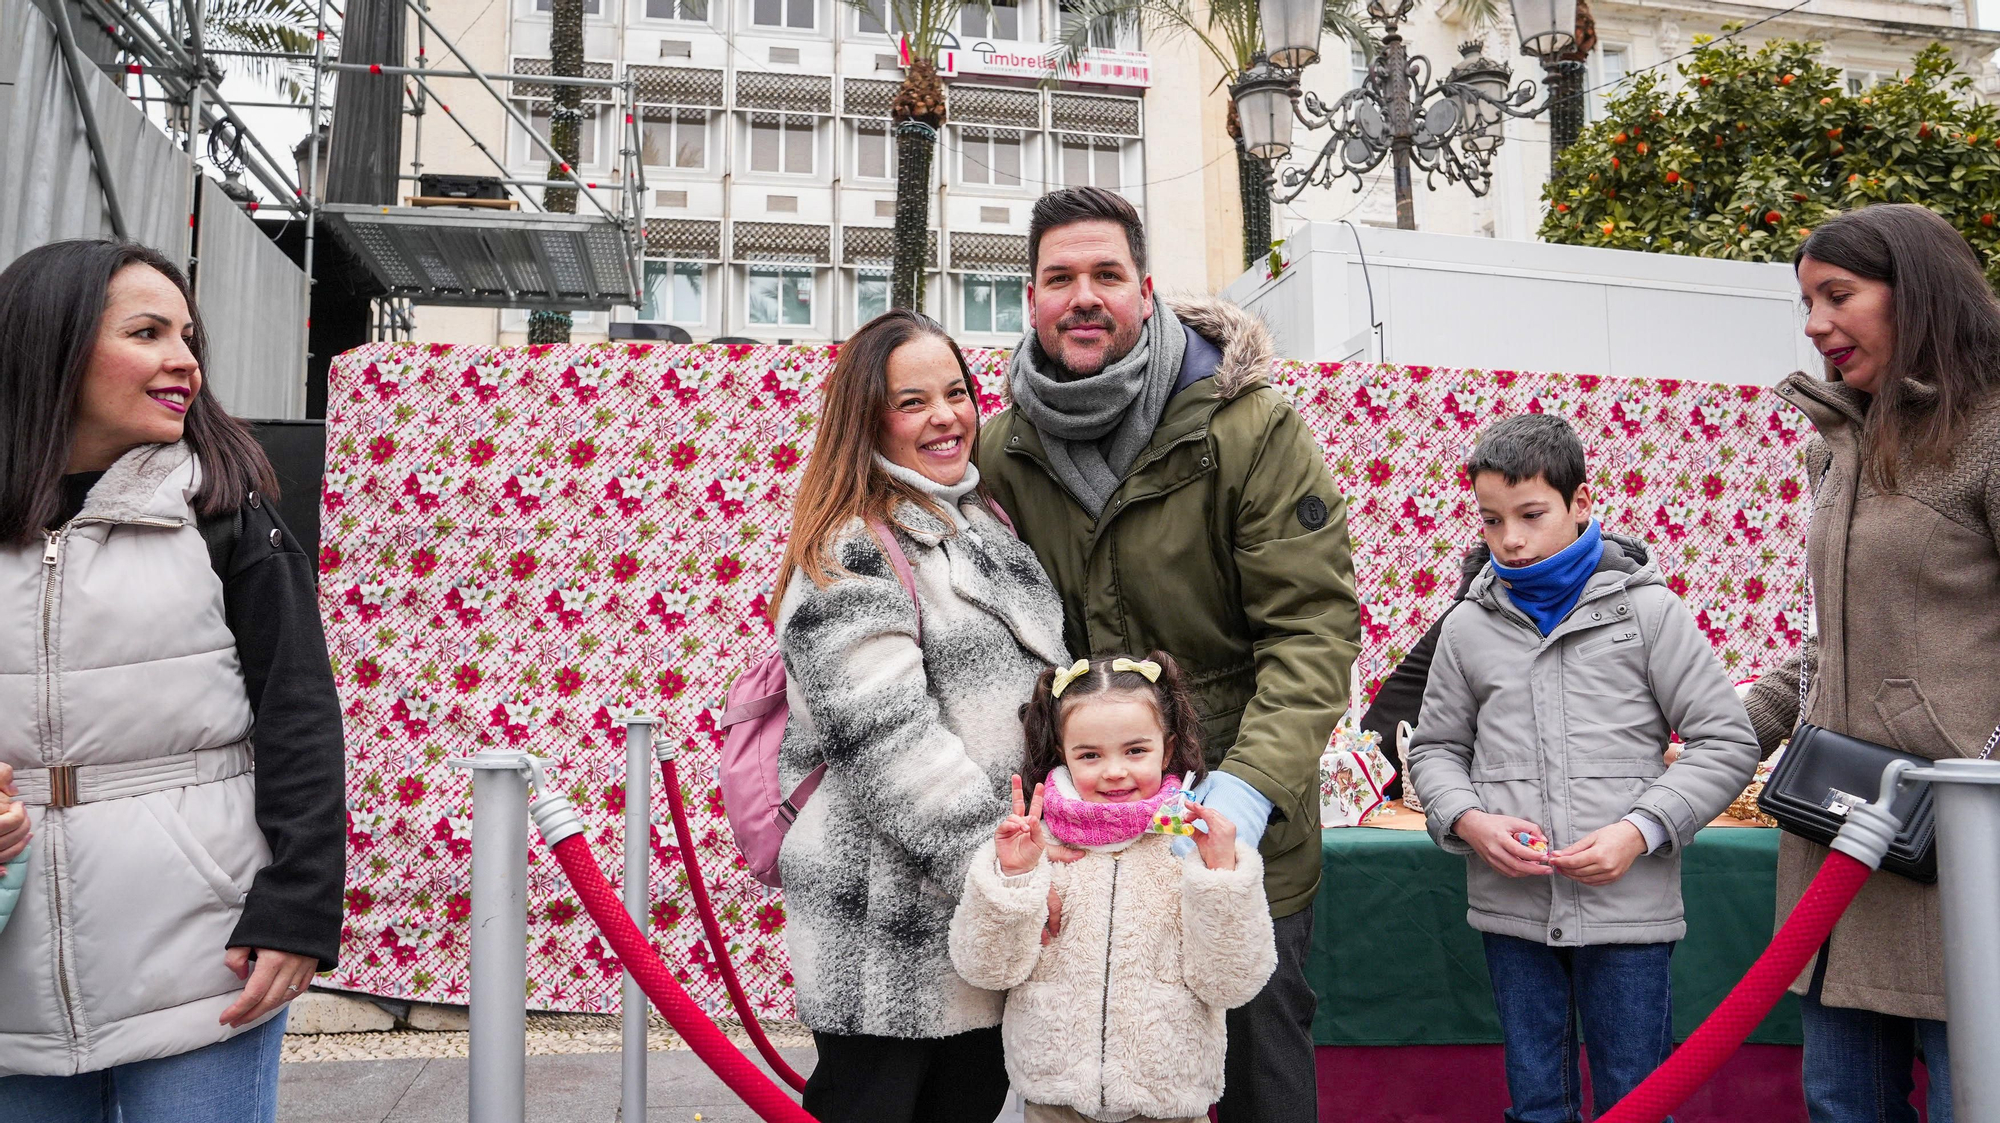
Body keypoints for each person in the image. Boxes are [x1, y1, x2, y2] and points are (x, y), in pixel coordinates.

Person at [977, 186, 1360, 1123]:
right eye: (1060, 278)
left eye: (1106, 274)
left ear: (1146, 291)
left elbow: (1312, 629)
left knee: (1262, 1064)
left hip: (1236, 832)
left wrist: (1245, 787)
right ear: (1029, 299)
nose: (1084, 297)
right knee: (1094, 1070)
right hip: (1080, 834)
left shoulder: (1248, 426)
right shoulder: (1000, 449)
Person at [0, 240, 346, 1121]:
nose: (184, 359)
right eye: (147, 332)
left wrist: (298, 909)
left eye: (186, 334)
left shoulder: (224, 509)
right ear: (49, 346)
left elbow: (298, 714)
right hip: (11, 968)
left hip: (206, 954)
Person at [1406, 413, 1759, 1123]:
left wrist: (1638, 830)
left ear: (1582, 503)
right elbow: (1435, 749)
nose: (1509, 538)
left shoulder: (1652, 612)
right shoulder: (1467, 626)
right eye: (1491, 519)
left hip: (1630, 912)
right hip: (1513, 913)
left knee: (1637, 1096)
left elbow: (1728, 740)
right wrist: (1471, 821)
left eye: (1531, 514)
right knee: (1537, 1102)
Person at [773, 309, 1071, 1123]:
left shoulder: (987, 526)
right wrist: (1003, 872)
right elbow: (889, 745)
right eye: (913, 402)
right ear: (868, 418)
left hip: (981, 929)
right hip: (888, 939)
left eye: (957, 392)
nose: (946, 416)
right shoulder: (851, 549)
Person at [1741, 203, 2000, 1123]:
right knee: (1842, 1108)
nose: (1813, 324)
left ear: (1916, 294)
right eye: (1806, 300)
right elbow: (1834, 641)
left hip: (1966, 862)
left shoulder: (1993, 432)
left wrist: (1977, 769)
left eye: (1836, 294)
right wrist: (1727, 725)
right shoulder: (1835, 448)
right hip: (1839, 854)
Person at [948, 653, 1276, 1123]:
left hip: (1169, 1104)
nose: (1115, 771)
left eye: (1135, 750)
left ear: (1167, 750)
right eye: (1090, 755)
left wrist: (1222, 877)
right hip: (1055, 1102)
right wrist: (1013, 880)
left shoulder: (1190, 845)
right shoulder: (1037, 842)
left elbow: (1233, 982)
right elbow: (986, 968)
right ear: (1063, 752)